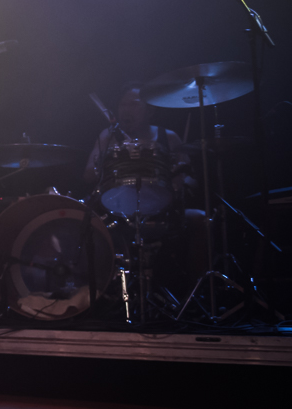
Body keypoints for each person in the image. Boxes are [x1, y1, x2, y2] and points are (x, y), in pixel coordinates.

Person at [84, 82, 208, 297]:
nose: (126, 110)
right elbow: (87, 175)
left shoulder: (168, 137)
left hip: (162, 210)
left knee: (202, 219)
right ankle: (99, 292)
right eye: (122, 105)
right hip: (118, 211)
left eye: (133, 104)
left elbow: (191, 178)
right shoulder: (108, 136)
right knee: (87, 223)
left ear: (150, 110)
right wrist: (104, 165)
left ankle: (198, 291)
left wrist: (179, 181)